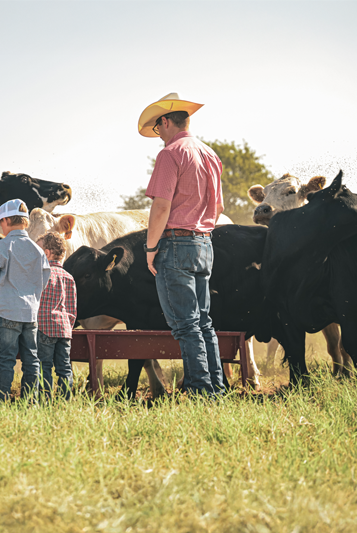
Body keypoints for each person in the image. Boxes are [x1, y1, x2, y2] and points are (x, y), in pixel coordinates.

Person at [138, 92, 225, 396]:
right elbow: (219, 207)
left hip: (175, 244)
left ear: (165, 121)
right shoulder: (210, 154)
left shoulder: (170, 154)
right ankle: (216, 387)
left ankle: (202, 391)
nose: (157, 134)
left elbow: (161, 207)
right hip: (204, 244)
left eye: (156, 128)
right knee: (204, 323)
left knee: (186, 326)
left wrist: (150, 249)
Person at [0, 199, 51, 401]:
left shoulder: (0, 247)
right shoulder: (38, 250)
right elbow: (44, 279)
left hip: (7, 311)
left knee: (6, 361)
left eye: (1, 223)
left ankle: (2, 401)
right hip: (31, 313)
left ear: (5, 221)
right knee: (32, 360)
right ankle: (31, 402)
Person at [35, 232, 76, 400]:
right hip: (64, 330)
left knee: (44, 366)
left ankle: (46, 399)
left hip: (44, 327)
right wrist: (67, 327)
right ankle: (65, 400)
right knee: (64, 368)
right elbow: (72, 310)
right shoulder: (69, 277)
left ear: (46, 253)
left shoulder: (41, 274)